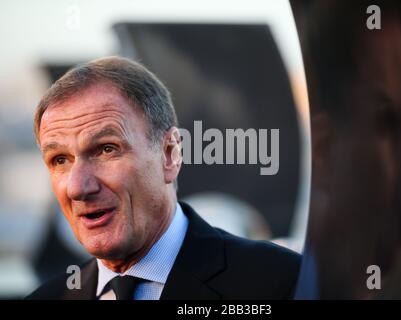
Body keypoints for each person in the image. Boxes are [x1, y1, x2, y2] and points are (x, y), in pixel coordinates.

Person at [26, 56, 301, 300]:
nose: (77, 187)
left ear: (169, 154)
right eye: (60, 160)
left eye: (106, 149)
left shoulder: (281, 282)